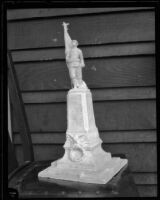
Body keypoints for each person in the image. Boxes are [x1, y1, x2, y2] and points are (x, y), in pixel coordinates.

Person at [62, 22, 87, 89]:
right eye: (72, 42)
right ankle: (75, 85)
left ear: (77, 44)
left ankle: (80, 85)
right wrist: (67, 58)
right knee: (72, 76)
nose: (73, 43)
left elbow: (81, 58)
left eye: (74, 42)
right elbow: (67, 57)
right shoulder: (69, 51)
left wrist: (82, 63)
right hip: (71, 64)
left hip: (77, 64)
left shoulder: (79, 50)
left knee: (79, 76)